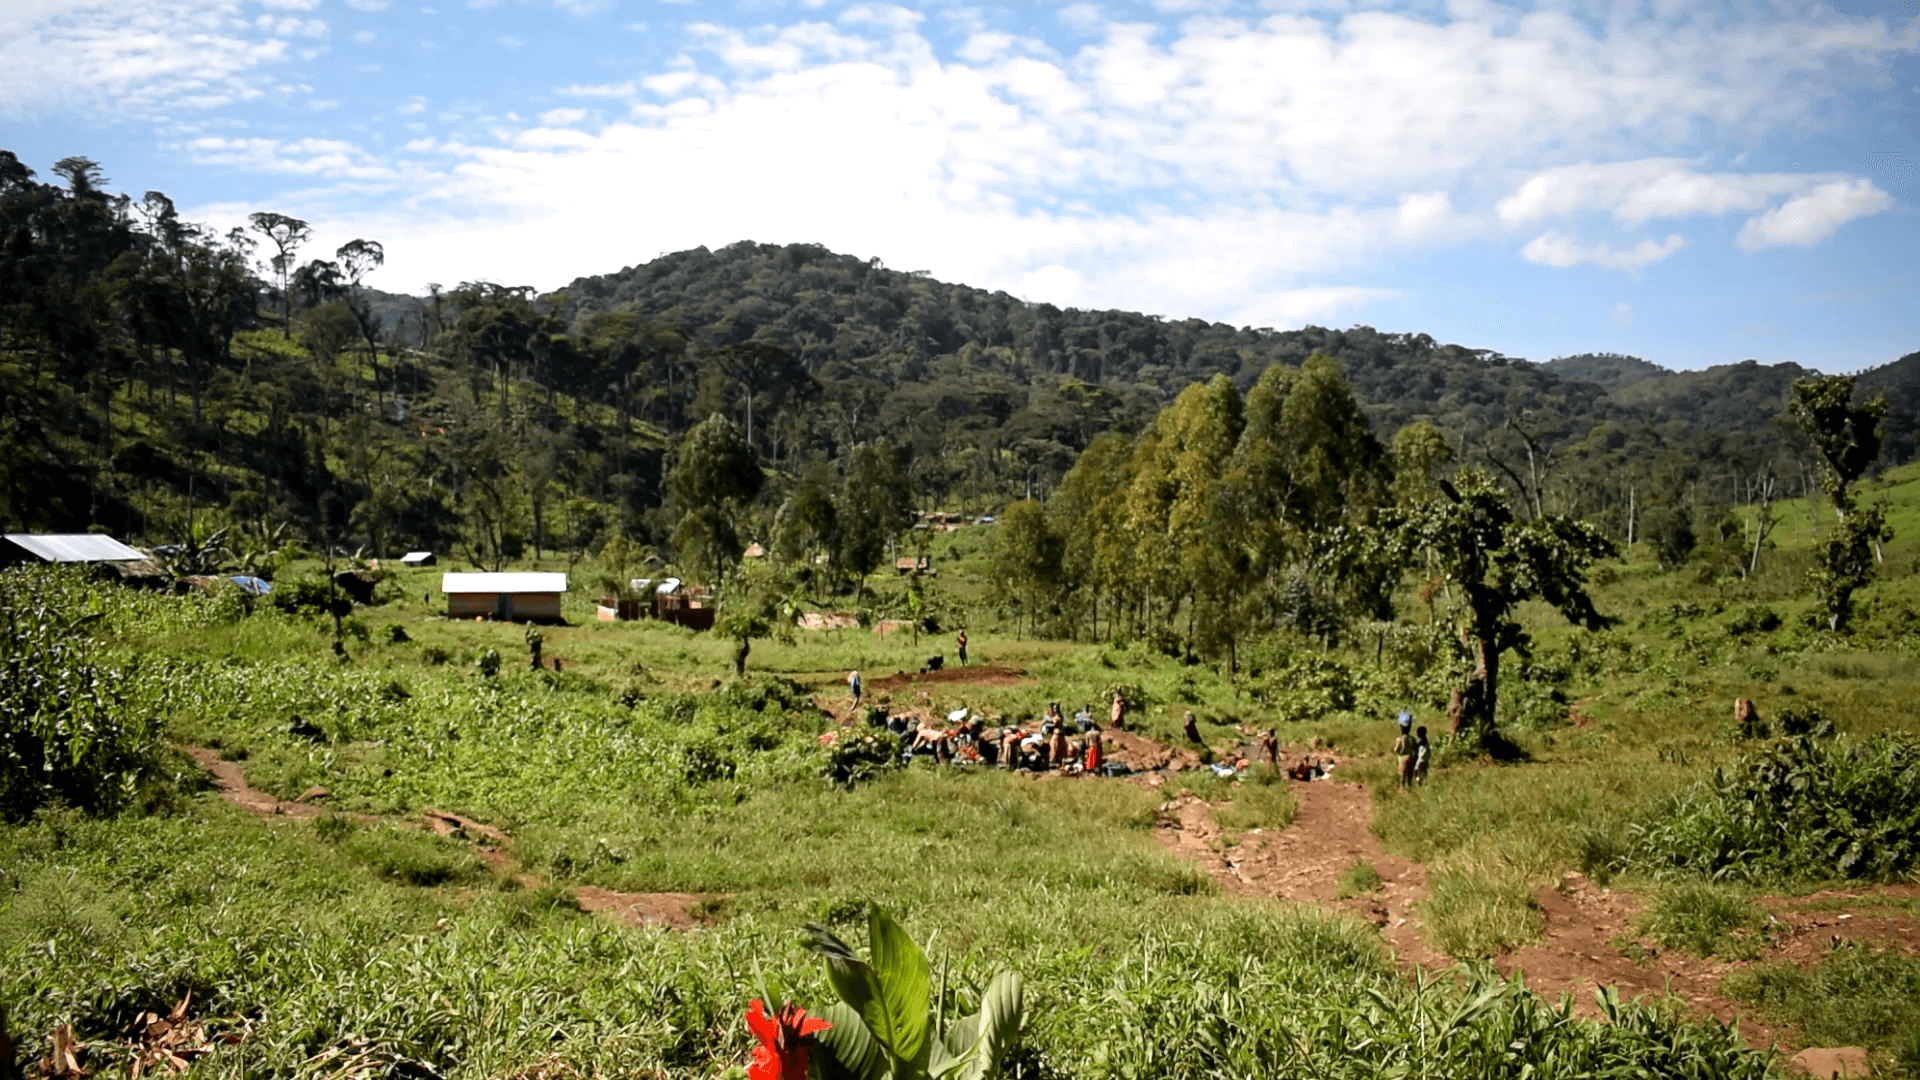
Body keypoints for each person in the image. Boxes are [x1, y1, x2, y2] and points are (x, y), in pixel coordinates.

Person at [1392, 713, 1415, 789]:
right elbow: (1415, 747)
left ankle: (1402, 788)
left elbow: (1396, 749)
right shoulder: (1412, 738)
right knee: (1409, 775)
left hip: (1403, 758)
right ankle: (1410, 787)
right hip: (1411, 757)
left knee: (1402, 775)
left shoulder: (1399, 739)